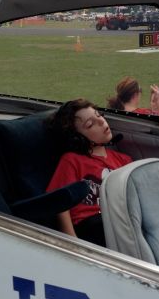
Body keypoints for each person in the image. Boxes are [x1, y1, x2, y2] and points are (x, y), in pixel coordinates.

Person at [46, 98, 132, 246]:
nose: (101, 122)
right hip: (92, 224)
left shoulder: (123, 159)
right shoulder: (72, 160)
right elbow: (59, 202)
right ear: (77, 138)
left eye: (99, 115)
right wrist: (72, 241)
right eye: (90, 124)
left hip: (122, 219)